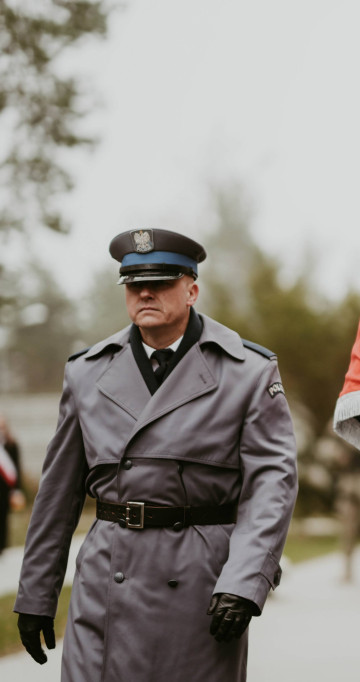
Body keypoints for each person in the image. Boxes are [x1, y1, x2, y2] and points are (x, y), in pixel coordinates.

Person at [14, 228, 298, 681]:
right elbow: (58, 494)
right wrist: (36, 594)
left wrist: (245, 583)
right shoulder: (87, 372)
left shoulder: (247, 371)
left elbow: (272, 484)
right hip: (107, 581)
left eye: (161, 282)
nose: (145, 292)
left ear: (192, 289)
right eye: (133, 283)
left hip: (200, 586)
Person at [0, 412, 25, 555]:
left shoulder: (12, 444)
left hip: (5, 490)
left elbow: (16, 468)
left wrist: (17, 490)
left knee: (4, 517)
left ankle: (3, 545)